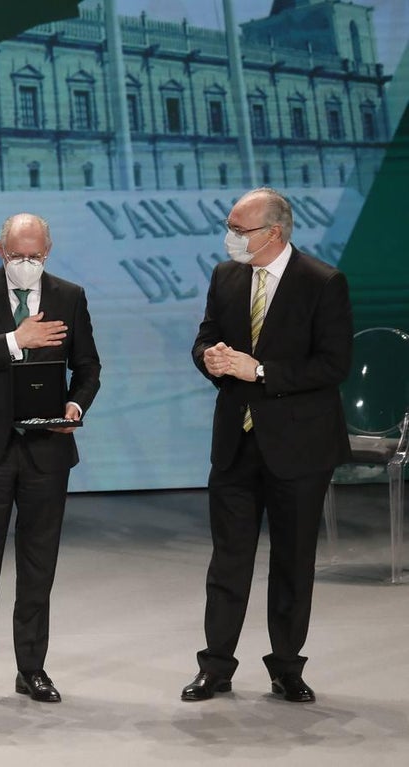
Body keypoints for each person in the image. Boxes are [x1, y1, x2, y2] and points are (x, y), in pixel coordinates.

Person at [182, 187, 352, 704]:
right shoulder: (226, 276)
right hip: (236, 440)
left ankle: (286, 668)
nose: (230, 238)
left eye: (239, 229)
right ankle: (216, 667)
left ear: (272, 232)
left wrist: (258, 370)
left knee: (293, 561)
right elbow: (206, 337)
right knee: (228, 560)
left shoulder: (322, 282)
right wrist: (208, 358)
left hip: (300, 446)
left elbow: (332, 364)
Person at [0, 213, 101, 706]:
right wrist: (15, 341)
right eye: (18, 255)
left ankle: (31, 668)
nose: (26, 263)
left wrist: (75, 405)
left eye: (35, 255)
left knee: (38, 565)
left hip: (47, 450)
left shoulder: (70, 296)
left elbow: (89, 367)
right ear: (0, 251)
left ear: (48, 252)